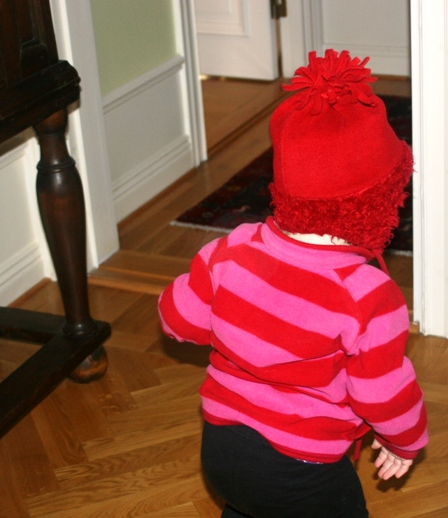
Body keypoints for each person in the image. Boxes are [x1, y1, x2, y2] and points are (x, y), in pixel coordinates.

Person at [158, 49, 427, 518]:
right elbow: (381, 392)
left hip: (220, 449)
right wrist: (405, 441)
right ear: (384, 199)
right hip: (302, 470)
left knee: (244, 509)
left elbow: (177, 321)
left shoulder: (230, 250)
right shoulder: (368, 295)